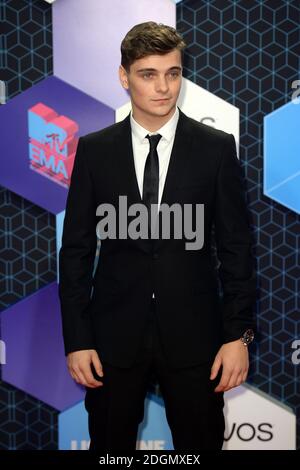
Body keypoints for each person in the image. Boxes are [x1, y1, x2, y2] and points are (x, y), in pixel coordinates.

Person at [58, 21, 256, 451]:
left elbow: (236, 250)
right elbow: (75, 251)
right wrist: (78, 340)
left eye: (173, 73)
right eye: (149, 74)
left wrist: (237, 336)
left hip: (197, 338)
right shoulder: (94, 151)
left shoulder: (216, 148)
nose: (164, 87)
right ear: (124, 76)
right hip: (112, 339)